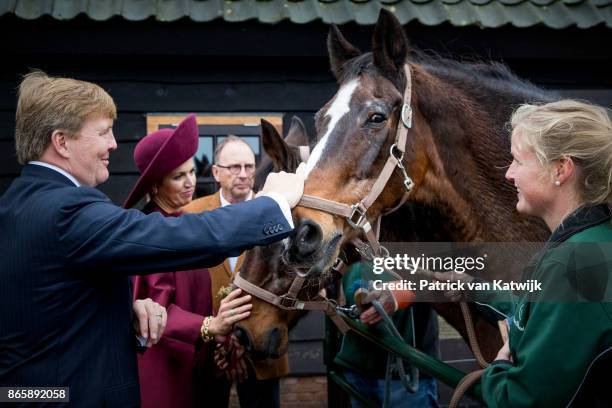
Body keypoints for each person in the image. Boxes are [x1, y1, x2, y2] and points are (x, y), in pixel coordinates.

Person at [0, 71, 303, 407]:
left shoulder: (16, 202)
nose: (114, 144)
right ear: (61, 142)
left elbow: (49, 310)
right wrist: (272, 205)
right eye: (103, 132)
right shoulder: (65, 209)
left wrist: (124, 313)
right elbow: (173, 236)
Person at [478, 100, 612, 407]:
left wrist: (497, 369)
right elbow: (542, 308)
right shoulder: (592, 243)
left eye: (518, 161)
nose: (509, 174)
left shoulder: (573, 267)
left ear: (561, 169)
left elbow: (521, 401)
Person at [125, 117, 252, 408]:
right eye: (178, 176)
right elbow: (156, 311)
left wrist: (219, 337)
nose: (190, 182)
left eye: (192, 172)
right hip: (166, 369)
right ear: (155, 186)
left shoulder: (185, 223)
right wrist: (210, 325)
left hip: (198, 363)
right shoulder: (151, 234)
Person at [183, 136, 288, 408]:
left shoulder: (277, 215)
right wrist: (220, 339)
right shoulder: (191, 214)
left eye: (249, 166)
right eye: (234, 167)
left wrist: (242, 343)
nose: (243, 174)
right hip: (209, 352)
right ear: (216, 172)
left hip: (261, 352)